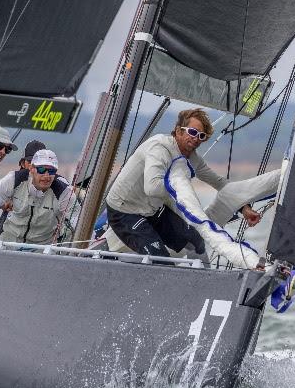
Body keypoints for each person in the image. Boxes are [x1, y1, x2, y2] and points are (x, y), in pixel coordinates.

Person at [105, 108, 279, 269]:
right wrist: (185, 195)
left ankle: (205, 278)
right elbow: (152, 188)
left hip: (152, 211)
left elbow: (220, 182)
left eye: (201, 136)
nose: (196, 138)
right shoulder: (159, 148)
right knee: (161, 259)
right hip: (124, 211)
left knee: (196, 241)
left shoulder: (192, 159)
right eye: (193, 132)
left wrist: (244, 207)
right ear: (179, 131)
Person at [0, 149, 75, 244]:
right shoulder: (13, 180)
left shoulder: (63, 191)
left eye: (51, 171)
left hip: (41, 250)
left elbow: (77, 221)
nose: (47, 176)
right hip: (8, 245)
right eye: (42, 169)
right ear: (31, 168)